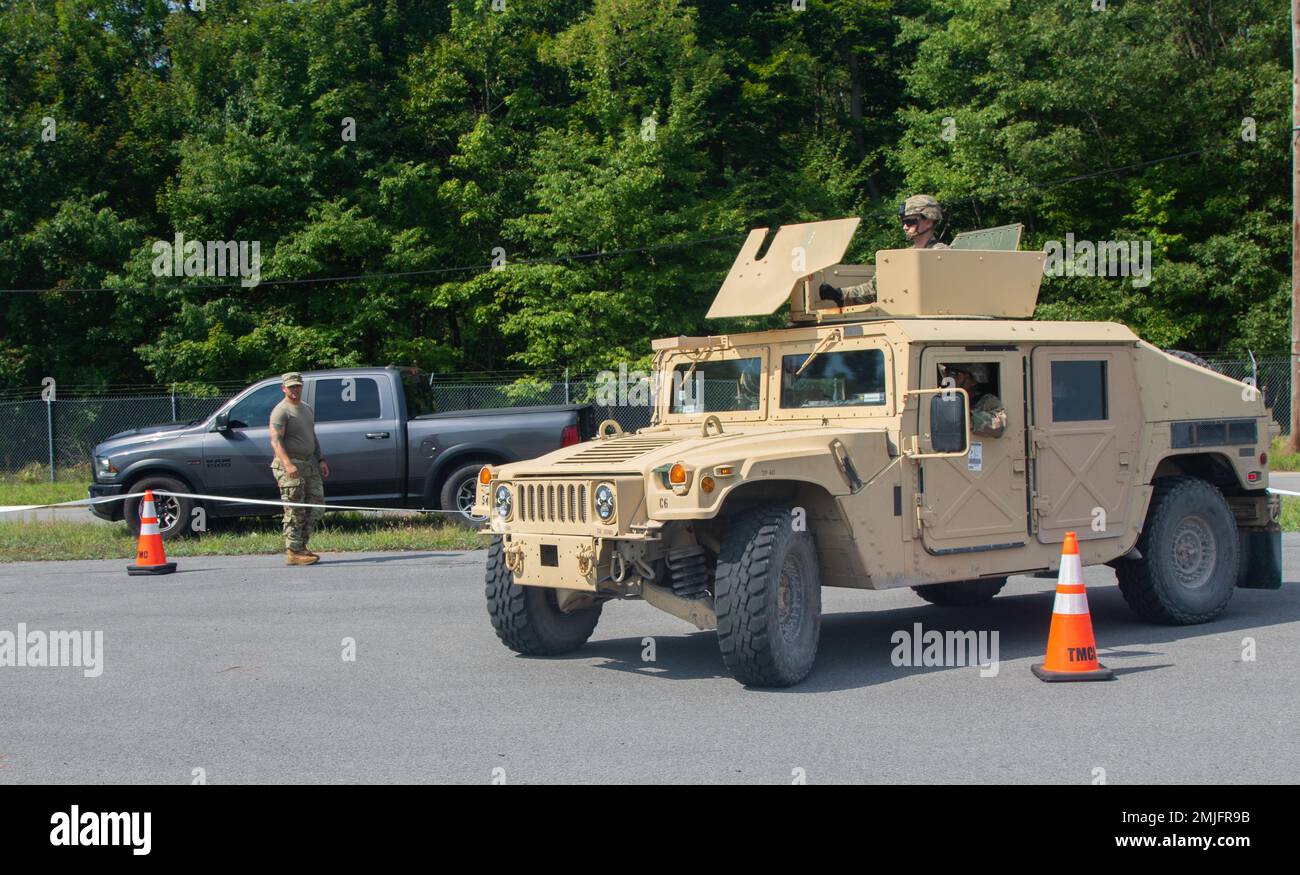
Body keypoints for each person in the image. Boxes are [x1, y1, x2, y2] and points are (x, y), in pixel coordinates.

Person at [819, 194, 949, 307]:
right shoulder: (899, 258)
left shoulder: (943, 255)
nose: (904, 227)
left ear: (929, 221)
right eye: (903, 222)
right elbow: (876, 289)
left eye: (910, 222)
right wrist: (840, 294)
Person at [269, 372, 330, 565]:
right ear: (283, 388)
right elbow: (275, 440)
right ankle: (293, 551)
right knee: (295, 508)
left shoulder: (306, 409)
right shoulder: (281, 410)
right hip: (290, 464)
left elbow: (312, 436)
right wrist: (287, 464)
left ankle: (301, 546)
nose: (295, 389)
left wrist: (320, 458)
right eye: (291, 386)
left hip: (307, 462)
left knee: (317, 505)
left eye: (297, 386)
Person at [943, 363, 1007, 438]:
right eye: (947, 372)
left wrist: (966, 418)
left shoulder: (988, 401)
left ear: (972, 380)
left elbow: (996, 428)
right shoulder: (946, 397)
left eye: (953, 373)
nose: (948, 378)